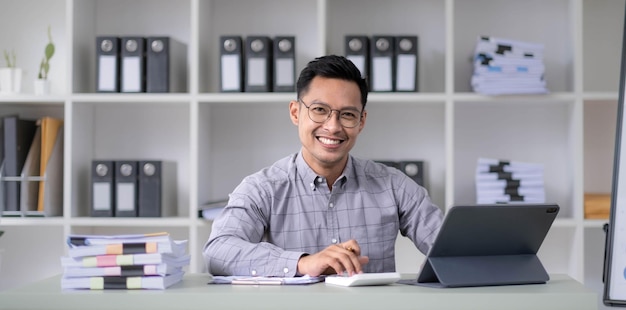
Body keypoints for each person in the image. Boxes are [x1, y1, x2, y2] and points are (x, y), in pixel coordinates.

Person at [203, 55, 443, 278]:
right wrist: (302, 263)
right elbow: (218, 252)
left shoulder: (393, 185)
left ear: (361, 121)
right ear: (296, 113)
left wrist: (441, 265)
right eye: (320, 110)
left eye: (347, 114)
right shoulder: (262, 188)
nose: (333, 126)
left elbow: (450, 246)